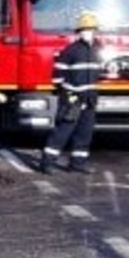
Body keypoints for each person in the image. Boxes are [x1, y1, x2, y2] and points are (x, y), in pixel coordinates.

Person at [40, 12, 102, 174]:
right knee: (63, 131)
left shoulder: (97, 49)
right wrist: (68, 94)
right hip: (72, 98)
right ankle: (47, 163)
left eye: (91, 29)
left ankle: (78, 164)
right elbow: (57, 77)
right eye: (85, 29)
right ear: (79, 32)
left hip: (90, 99)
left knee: (85, 132)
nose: (88, 32)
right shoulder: (70, 51)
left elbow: (98, 73)